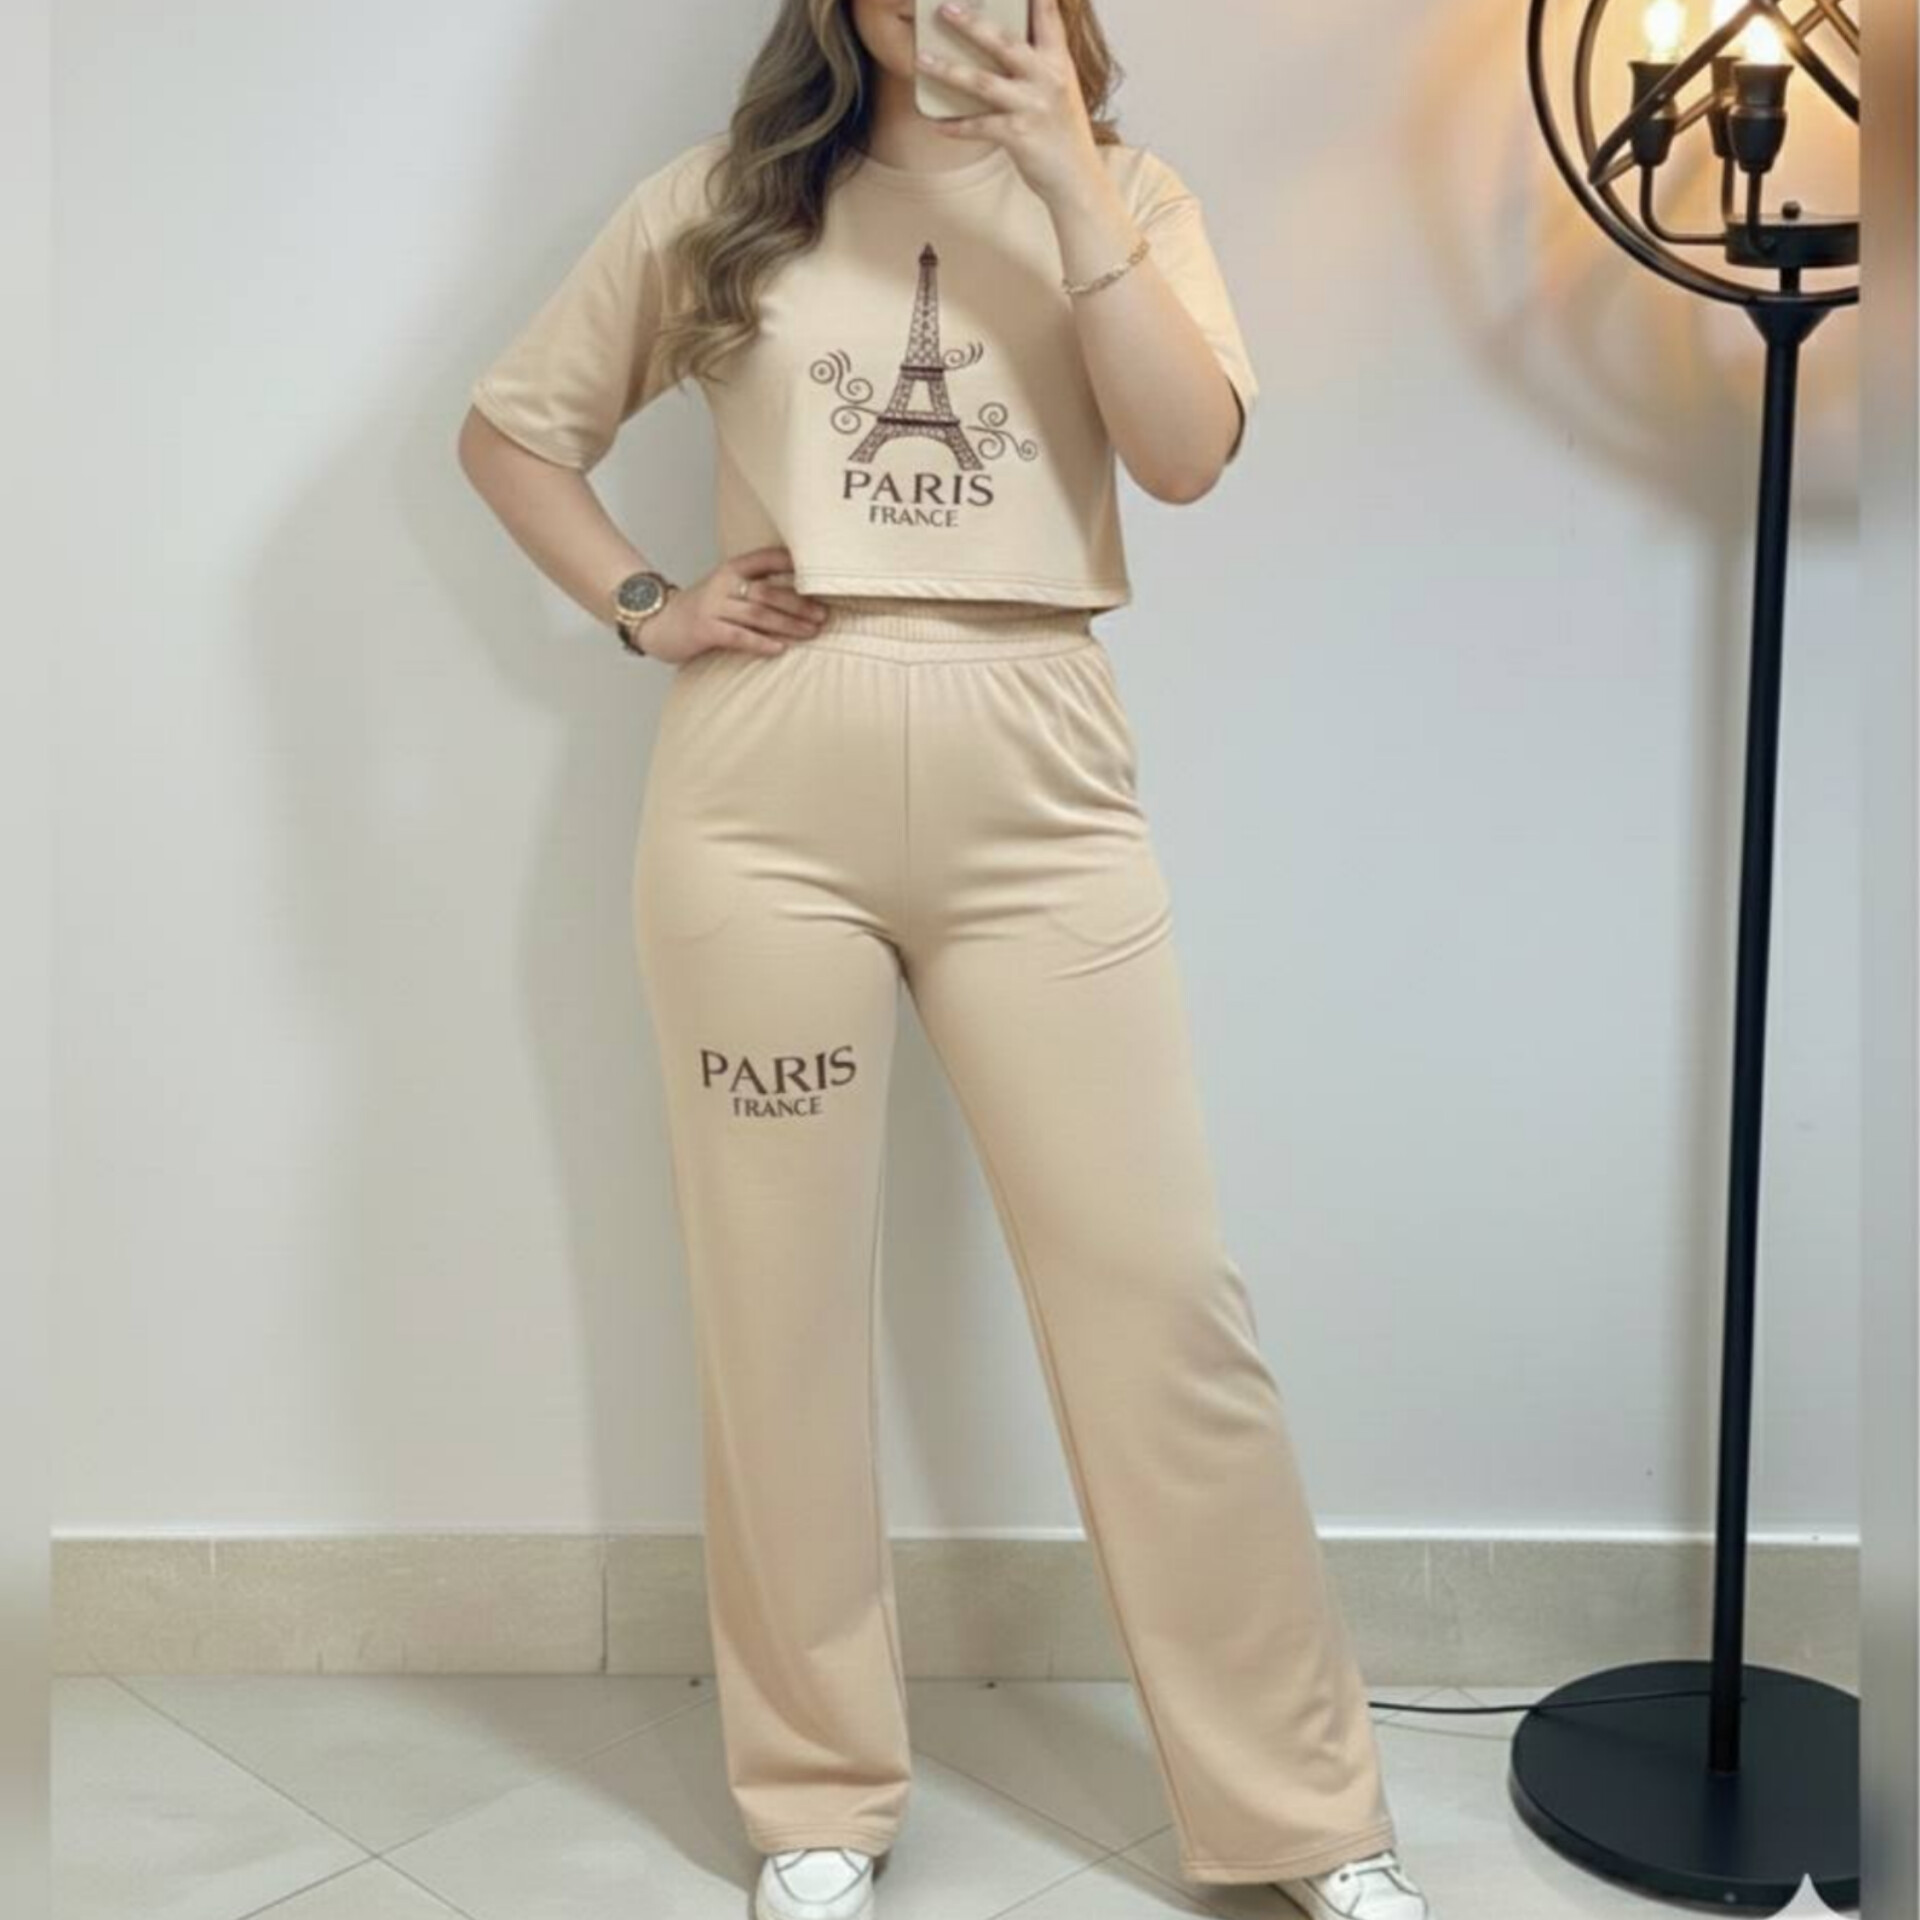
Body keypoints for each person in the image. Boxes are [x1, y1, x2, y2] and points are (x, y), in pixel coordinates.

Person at [458, 2, 1435, 1916]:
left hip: (1039, 771)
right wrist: (647, 603)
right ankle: (816, 1791)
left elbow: (1186, 458)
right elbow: (512, 434)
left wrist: (1064, 172)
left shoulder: (1134, 195)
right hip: (763, 789)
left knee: (1160, 1302)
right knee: (775, 1306)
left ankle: (1306, 1815)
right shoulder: (722, 205)